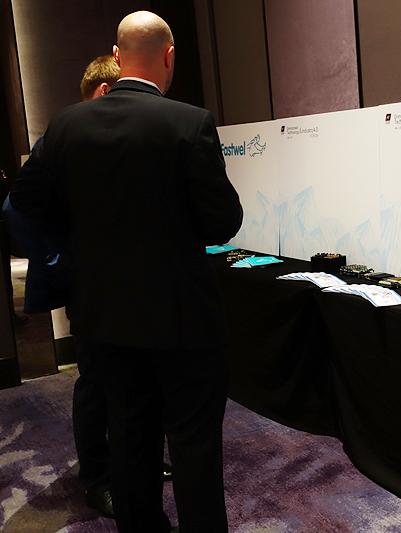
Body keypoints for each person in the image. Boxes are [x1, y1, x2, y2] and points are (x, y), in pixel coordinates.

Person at [10, 10, 242, 532]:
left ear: (116, 57)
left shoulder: (66, 125)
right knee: (194, 444)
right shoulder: (190, 123)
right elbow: (224, 222)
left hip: (103, 317)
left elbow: (24, 201)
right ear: (170, 56)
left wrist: (77, 243)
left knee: (130, 437)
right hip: (183, 318)